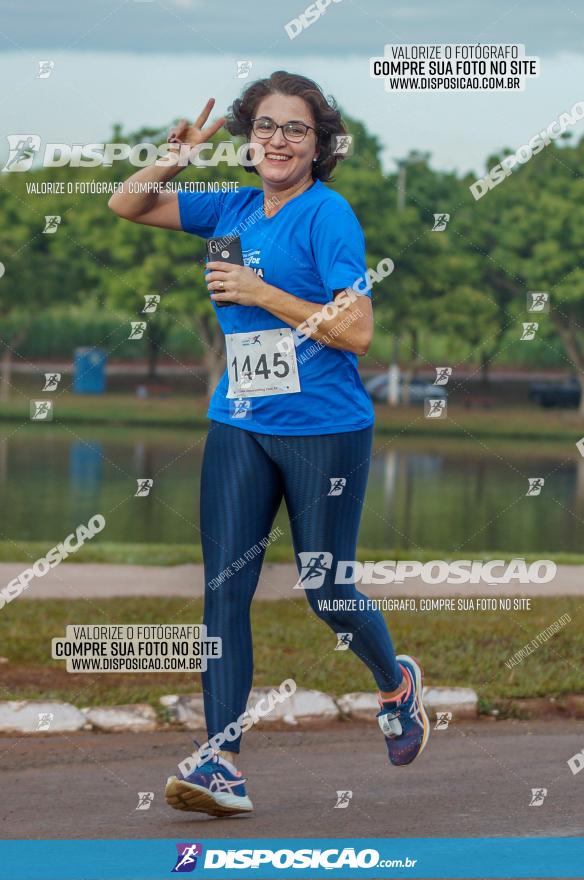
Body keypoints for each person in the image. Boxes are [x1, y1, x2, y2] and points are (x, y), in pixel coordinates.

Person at [108, 70, 429, 818]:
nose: (279, 141)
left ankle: (396, 684)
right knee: (224, 589)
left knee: (325, 588)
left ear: (318, 146)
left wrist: (263, 295)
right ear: (248, 140)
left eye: (296, 130)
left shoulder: (328, 216)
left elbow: (357, 331)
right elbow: (128, 202)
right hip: (240, 424)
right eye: (266, 128)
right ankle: (221, 758)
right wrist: (175, 154)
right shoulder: (231, 206)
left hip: (326, 431)